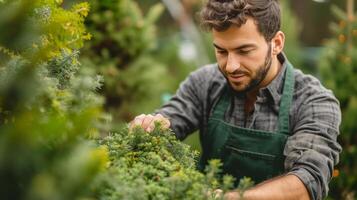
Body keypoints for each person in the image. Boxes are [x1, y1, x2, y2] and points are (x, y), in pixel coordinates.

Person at [129, 0, 341, 199]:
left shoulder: (314, 101)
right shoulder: (205, 83)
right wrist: (152, 126)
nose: (231, 66)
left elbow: (307, 183)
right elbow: (172, 116)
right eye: (221, 51)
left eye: (244, 51)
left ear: (276, 43)